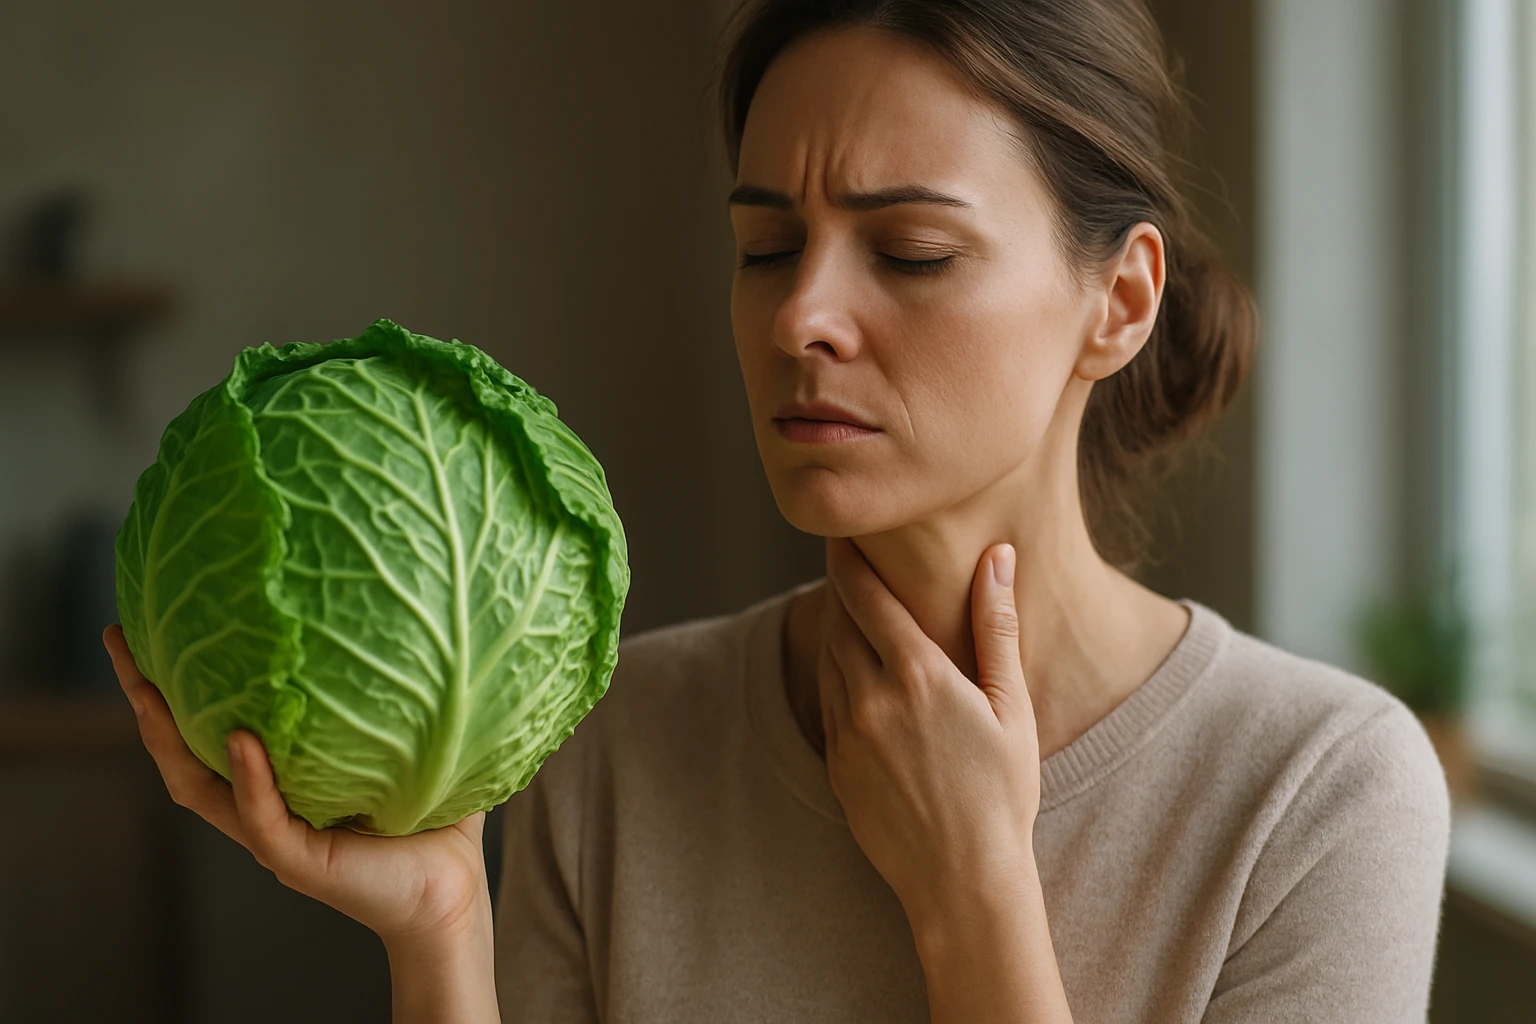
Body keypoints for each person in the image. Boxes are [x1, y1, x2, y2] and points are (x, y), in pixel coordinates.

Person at [106, 0, 1452, 1021]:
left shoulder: (1321, 793)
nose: (801, 315)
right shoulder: (619, 736)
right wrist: (443, 935)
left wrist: (972, 891)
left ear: (1122, 301)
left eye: (911, 252)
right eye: (766, 247)